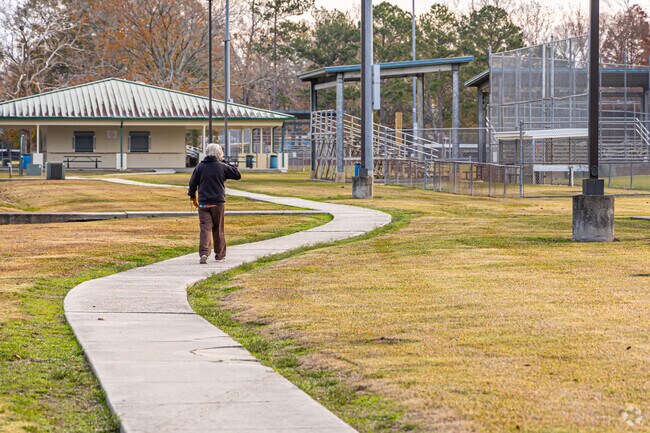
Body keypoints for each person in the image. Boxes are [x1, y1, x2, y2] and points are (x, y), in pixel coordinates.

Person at [188, 143, 241, 264]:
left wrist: (192, 195)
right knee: (218, 229)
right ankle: (219, 255)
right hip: (218, 203)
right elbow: (237, 175)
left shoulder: (200, 167)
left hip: (203, 203)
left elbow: (192, 183)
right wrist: (225, 161)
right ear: (219, 154)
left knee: (205, 228)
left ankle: (204, 253)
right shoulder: (222, 166)